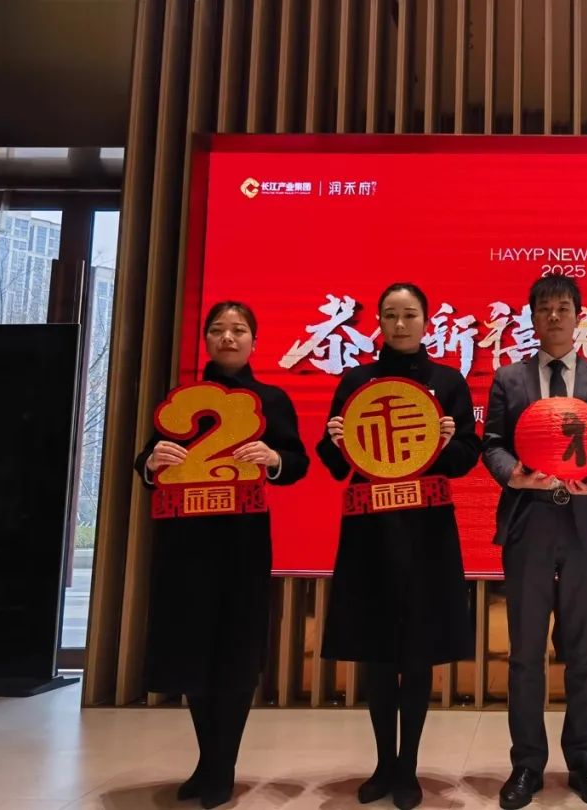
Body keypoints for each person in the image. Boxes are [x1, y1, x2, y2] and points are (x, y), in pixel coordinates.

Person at [134, 301, 309, 809]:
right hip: (186, 543)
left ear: (254, 341)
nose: (228, 337)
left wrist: (273, 458)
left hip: (242, 542)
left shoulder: (271, 399)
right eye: (218, 329)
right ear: (206, 339)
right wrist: (152, 462)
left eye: (238, 330)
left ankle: (222, 766)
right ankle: (207, 760)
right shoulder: (180, 401)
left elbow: (297, 462)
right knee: (194, 650)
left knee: (234, 651)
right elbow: (144, 462)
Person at [317, 282, 479, 810]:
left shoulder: (448, 381)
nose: (401, 324)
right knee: (378, 652)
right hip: (370, 532)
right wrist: (335, 439)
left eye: (410, 315)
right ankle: (383, 762)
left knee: (419, 649)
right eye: (390, 315)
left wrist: (450, 440)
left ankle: (408, 766)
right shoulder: (356, 381)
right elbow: (334, 461)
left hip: (427, 532)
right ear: (380, 323)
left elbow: (466, 457)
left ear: (427, 322)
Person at [483, 276, 587, 810]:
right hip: (530, 522)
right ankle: (526, 764)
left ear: (578, 317)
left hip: (586, 524)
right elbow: (492, 444)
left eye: (563, 308)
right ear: (532, 318)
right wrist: (513, 474)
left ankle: (585, 761)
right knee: (526, 652)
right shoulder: (509, 378)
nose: (554, 317)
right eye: (544, 309)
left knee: (586, 651)